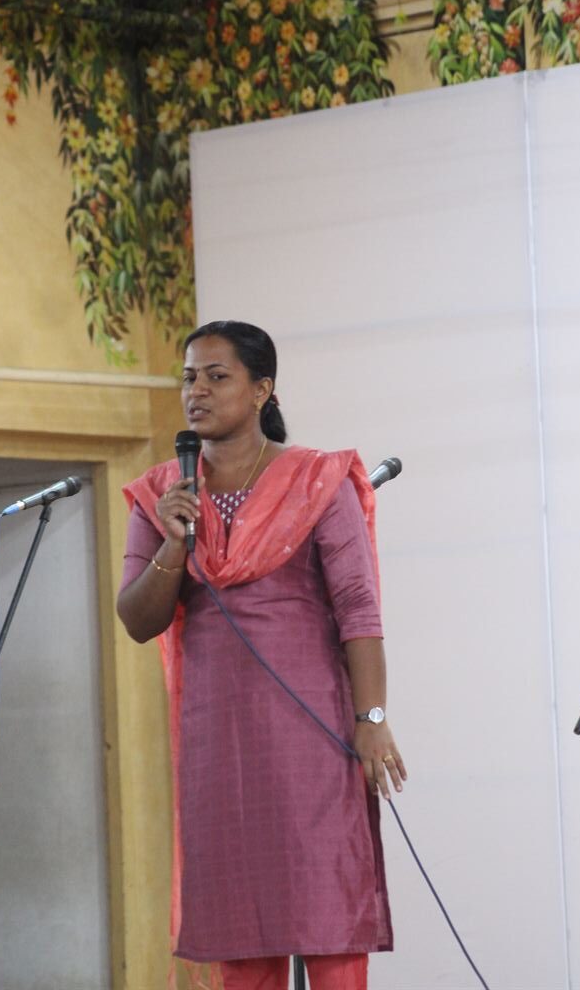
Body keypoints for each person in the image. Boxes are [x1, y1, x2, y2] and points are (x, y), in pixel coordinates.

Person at [117, 320, 407, 990]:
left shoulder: (316, 480)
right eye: (189, 377)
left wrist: (371, 717)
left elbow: (358, 609)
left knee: (331, 924)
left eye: (217, 377)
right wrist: (174, 544)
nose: (197, 391)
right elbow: (137, 619)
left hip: (313, 737)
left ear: (261, 390)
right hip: (218, 749)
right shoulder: (161, 495)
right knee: (242, 939)